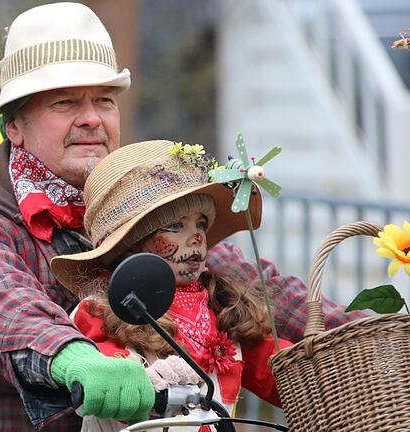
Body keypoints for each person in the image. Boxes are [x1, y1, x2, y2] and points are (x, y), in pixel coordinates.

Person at [0, 2, 365, 430]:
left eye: (105, 101)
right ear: (14, 125)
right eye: (65, 103)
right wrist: (75, 357)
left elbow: (260, 289)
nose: (92, 119)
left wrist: (372, 336)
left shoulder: (135, 197)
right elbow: (0, 306)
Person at [51, 140, 295, 431]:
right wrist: (138, 382)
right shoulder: (99, 311)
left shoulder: (226, 310)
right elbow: (104, 378)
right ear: (129, 246)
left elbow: (286, 375)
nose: (197, 237)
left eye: (201, 224)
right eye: (175, 226)